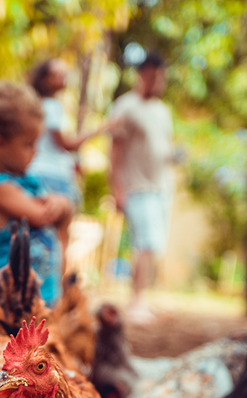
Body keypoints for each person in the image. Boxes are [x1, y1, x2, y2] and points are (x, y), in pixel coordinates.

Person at [0, 81, 73, 310]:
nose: (35, 152)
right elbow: (43, 215)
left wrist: (63, 205)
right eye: (28, 145)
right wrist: (62, 205)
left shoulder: (29, 182)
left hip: (43, 296)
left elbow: (60, 215)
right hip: (9, 304)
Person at [109, 51, 174, 324]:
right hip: (136, 186)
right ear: (142, 75)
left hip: (160, 188)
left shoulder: (162, 111)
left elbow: (163, 148)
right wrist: (117, 188)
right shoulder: (126, 107)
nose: (158, 82)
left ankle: (142, 298)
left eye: (161, 77)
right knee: (144, 243)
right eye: (153, 76)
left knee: (152, 245)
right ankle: (136, 302)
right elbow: (115, 150)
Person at [26, 58, 102, 213]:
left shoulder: (39, 104)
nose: (63, 79)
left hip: (38, 171)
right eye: (57, 75)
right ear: (45, 79)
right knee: (59, 219)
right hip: (53, 174)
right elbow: (65, 144)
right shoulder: (51, 106)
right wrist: (100, 129)